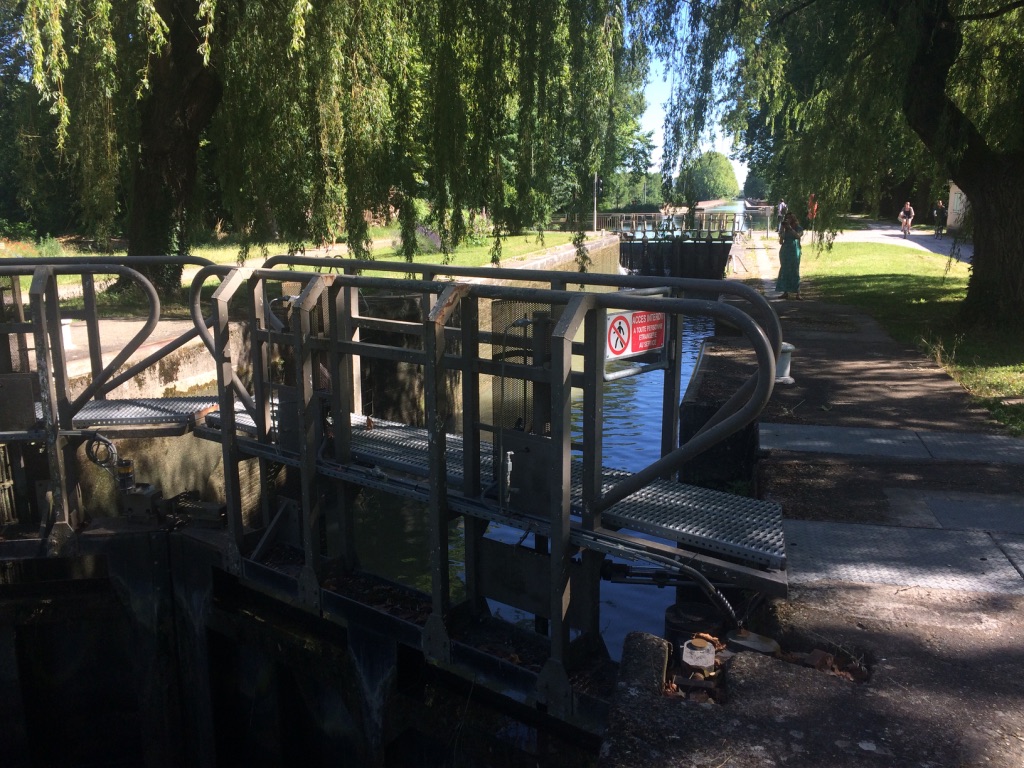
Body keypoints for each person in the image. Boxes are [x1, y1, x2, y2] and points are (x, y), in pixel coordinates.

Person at [776, 212, 804, 300]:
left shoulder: (798, 228)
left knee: (795, 270)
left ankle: (798, 293)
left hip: (794, 250)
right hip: (785, 251)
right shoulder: (785, 229)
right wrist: (782, 230)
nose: (788, 220)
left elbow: (798, 236)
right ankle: (785, 292)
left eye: (789, 218)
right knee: (785, 270)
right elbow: (781, 242)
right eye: (786, 218)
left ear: (793, 219)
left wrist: (790, 228)